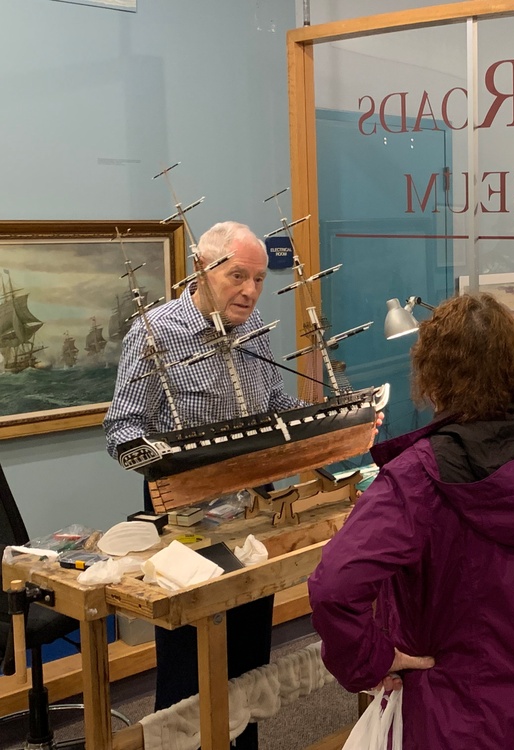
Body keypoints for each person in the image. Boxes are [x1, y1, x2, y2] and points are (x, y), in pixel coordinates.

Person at [308, 293, 514, 750]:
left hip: (458, 718)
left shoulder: (415, 479)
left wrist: (372, 660)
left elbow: (334, 587)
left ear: (435, 371)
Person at [104, 221, 302, 750]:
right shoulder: (154, 334)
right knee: (189, 662)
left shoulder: (253, 325)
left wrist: (319, 422)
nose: (250, 291)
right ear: (201, 268)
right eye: (238, 276)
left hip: (252, 513)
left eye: (258, 279)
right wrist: (177, 464)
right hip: (185, 518)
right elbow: (122, 430)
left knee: (248, 662)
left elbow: (276, 406)